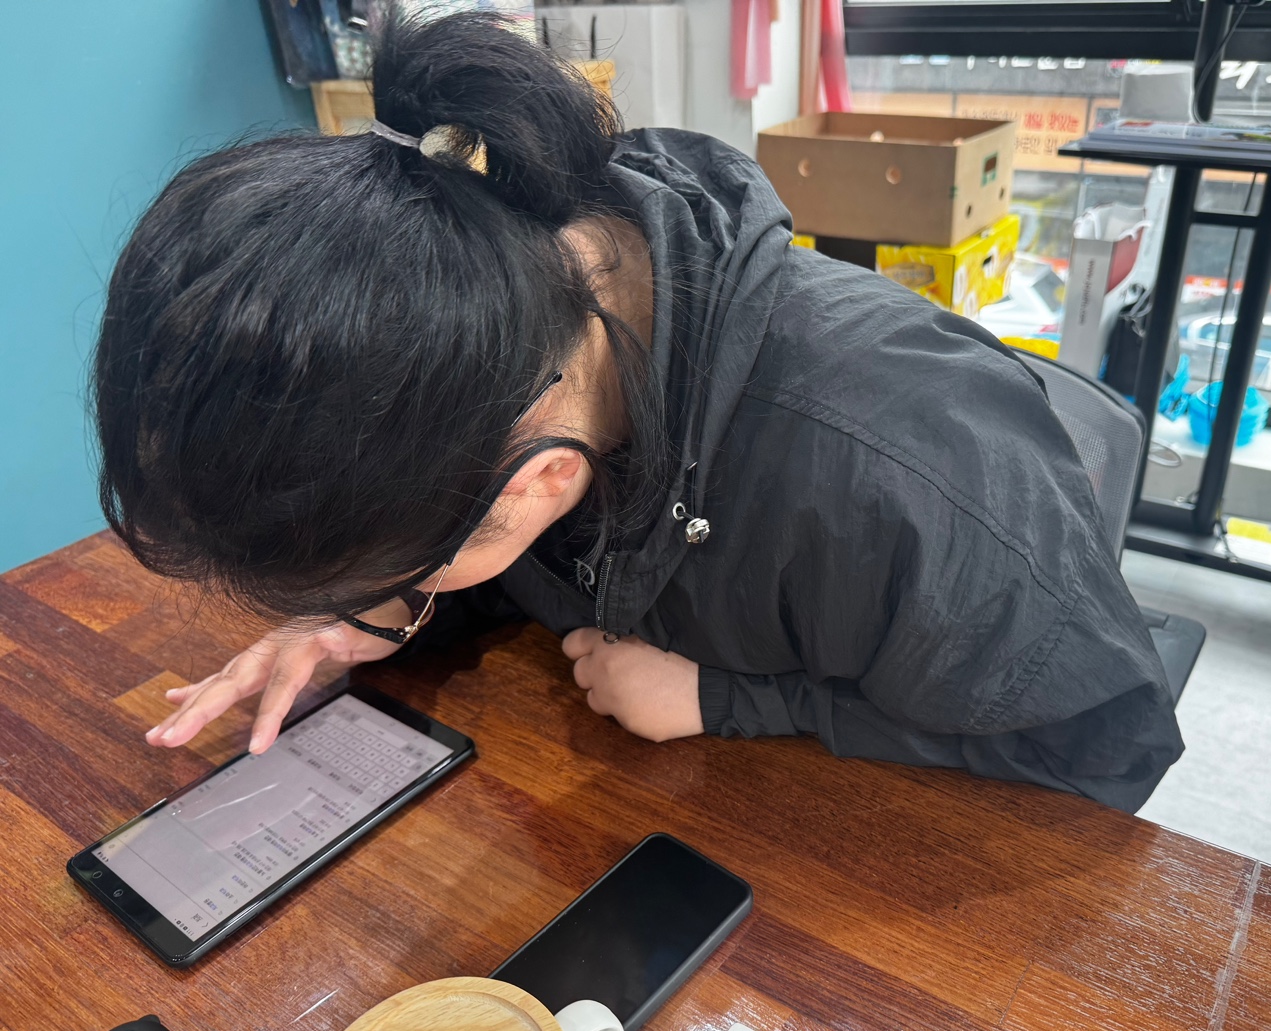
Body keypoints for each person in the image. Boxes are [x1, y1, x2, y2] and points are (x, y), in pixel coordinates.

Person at [93, 7, 1182, 813]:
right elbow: (512, 558)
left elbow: (1101, 749)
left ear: (544, 480)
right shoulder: (519, 299)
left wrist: (727, 702)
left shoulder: (903, 471)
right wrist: (359, 612)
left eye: (411, 568)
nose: (406, 590)